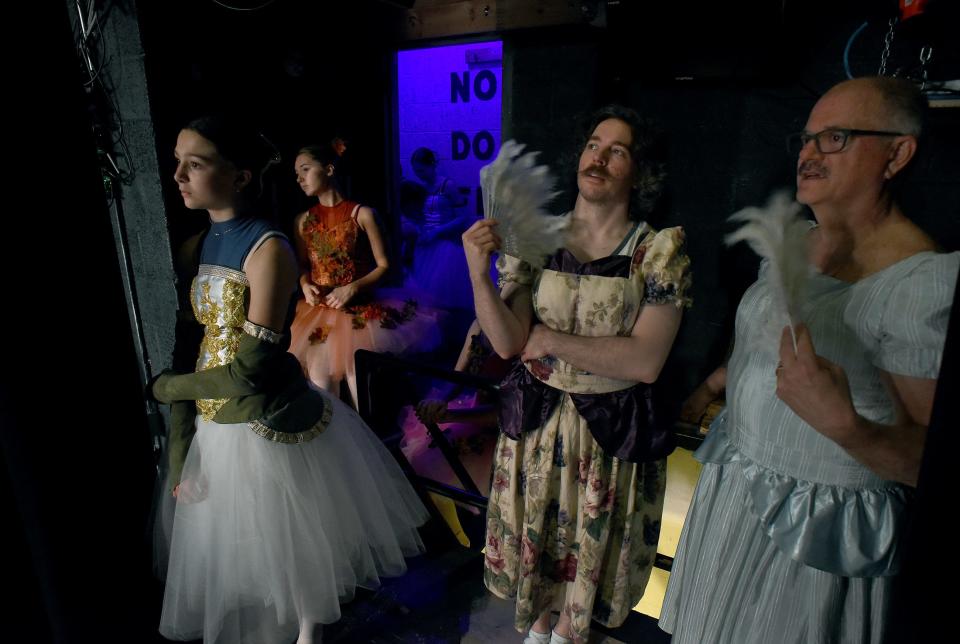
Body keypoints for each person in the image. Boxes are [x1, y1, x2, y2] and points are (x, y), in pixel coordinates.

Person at [659, 77, 960, 643]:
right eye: (807, 137)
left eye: (836, 137)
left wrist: (847, 428)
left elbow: (931, 463)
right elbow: (761, 339)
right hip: (736, 494)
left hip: (813, 538)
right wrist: (712, 386)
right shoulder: (795, 241)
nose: (808, 152)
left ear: (897, 153)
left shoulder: (920, 286)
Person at [152, 117, 429, 644]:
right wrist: (182, 445)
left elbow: (252, 365)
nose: (179, 175)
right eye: (177, 162)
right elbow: (188, 351)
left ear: (239, 175)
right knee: (240, 550)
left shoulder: (269, 246)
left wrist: (166, 388)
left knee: (290, 543)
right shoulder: (196, 247)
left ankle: (307, 634)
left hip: (262, 416)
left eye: (197, 162)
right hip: (214, 416)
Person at [463, 105, 692, 644]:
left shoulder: (657, 250)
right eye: (594, 144)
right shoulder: (537, 239)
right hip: (537, 431)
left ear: (640, 171)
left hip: (607, 438)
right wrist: (478, 274)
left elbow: (644, 360)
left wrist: (549, 341)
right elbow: (505, 340)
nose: (600, 157)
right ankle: (538, 634)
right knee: (535, 562)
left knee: (583, 573)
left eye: (618, 150)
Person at [288, 143, 439, 406]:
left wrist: (353, 287)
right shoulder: (303, 221)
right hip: (319, 312)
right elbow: (302, 264)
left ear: (329, 169)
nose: (299, 178)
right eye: (296, 172)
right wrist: (304, 284)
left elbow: (385, 266)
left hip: (359, 312)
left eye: (305, 169)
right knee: (321, 392)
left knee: (361, 393)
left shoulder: (363, 214)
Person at [408, 147, 475, 314]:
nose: (419, 175)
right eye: (416, 171)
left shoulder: (448, 185)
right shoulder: (419, 187)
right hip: (425, 244)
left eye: (422, 170)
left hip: (445, 245)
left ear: (431, 165)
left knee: (442, 292)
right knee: (423, 295)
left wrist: (437, 232)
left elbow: (463, 217)